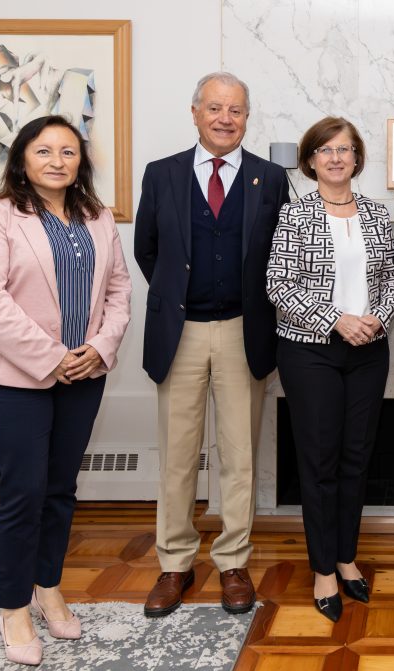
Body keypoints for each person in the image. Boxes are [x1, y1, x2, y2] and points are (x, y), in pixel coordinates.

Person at [0, 114, 132, 665]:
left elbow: (118, 289)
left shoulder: (97, 216)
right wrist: (52, 357)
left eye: (68, 151)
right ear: (21, 159)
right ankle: (13, 607)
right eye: (44, 151)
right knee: (23, 492)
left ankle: (48, 585)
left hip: (83, 374)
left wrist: (99, 350)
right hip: (17, 378)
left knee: (61, 488)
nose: (57, 160)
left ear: (80, 161)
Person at [134, 72, 290, 618]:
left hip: (245, 330)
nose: (226, 118)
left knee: (239, 458)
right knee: (178, 456)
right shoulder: (162, 175)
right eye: (216, 108)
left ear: (248, 118)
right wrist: (181, 297)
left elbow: (280, 256)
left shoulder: (270, 179)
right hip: (180, 333)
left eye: (237, 111)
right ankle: (174, 562)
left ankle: (233, 562)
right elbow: (147, 251)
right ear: (195, 112)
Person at [266, 117, 394, 622]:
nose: (336, 158)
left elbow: (393, 278)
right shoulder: (294, 214)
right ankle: (322, 567)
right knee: (319, 461)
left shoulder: (376, 214)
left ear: (357, 158)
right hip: (310, 352)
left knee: (356, 458)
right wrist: (336, 321)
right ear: (311, 160)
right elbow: (278, 285)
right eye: (325, 150)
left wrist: (376, 319)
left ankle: (347, 558)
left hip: (370, 349)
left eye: (345, 149)